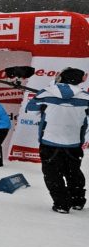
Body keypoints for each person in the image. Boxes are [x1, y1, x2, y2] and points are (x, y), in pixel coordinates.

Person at [27, 67, 89, 213]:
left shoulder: (45, 93)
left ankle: (61, 204)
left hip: (49, 141)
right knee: (74, 171)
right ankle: (77, 201)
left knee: (52, 174)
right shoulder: (86, 97)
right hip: (74, 143)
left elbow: (30, 109)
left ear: (60, 78)